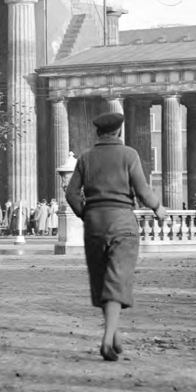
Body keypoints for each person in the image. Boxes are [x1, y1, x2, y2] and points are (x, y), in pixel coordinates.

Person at [64, 111, 166, 362]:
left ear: (98, 133)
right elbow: (142, 190)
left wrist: (85, 214)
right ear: (119, 132)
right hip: (122, 222)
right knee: (117, 279)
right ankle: (107, 341)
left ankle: (115, 335)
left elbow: (71, 194)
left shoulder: (86, 158)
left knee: (102, 280)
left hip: (95, 224)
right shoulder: (129, 155)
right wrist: (158, 208)